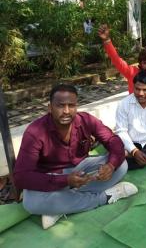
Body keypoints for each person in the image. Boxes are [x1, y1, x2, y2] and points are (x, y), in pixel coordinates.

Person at [14, 84, 137, 230]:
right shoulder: (35, 132)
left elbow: (113, 141)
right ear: (50, 107)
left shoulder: (85, 120)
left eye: (71, 105)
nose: (66, 111)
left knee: (121, 165)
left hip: (82, 171)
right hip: (52, 178)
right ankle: (104, 197)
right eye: (60, 106)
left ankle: (59, 206)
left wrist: (110, 166)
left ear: (76, 106)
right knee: (31, 202)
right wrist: (65, 180)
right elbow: (21, 176)